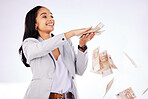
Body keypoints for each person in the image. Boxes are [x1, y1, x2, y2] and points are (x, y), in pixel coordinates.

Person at [19, 6, 95, 99]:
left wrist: (82, 46)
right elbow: (43, 48)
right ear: (35, 23)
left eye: (51, 16)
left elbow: (80, 70)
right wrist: (71, 33)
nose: (50, 19)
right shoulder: (30, 44)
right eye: (44, 16)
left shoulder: (65, 43)